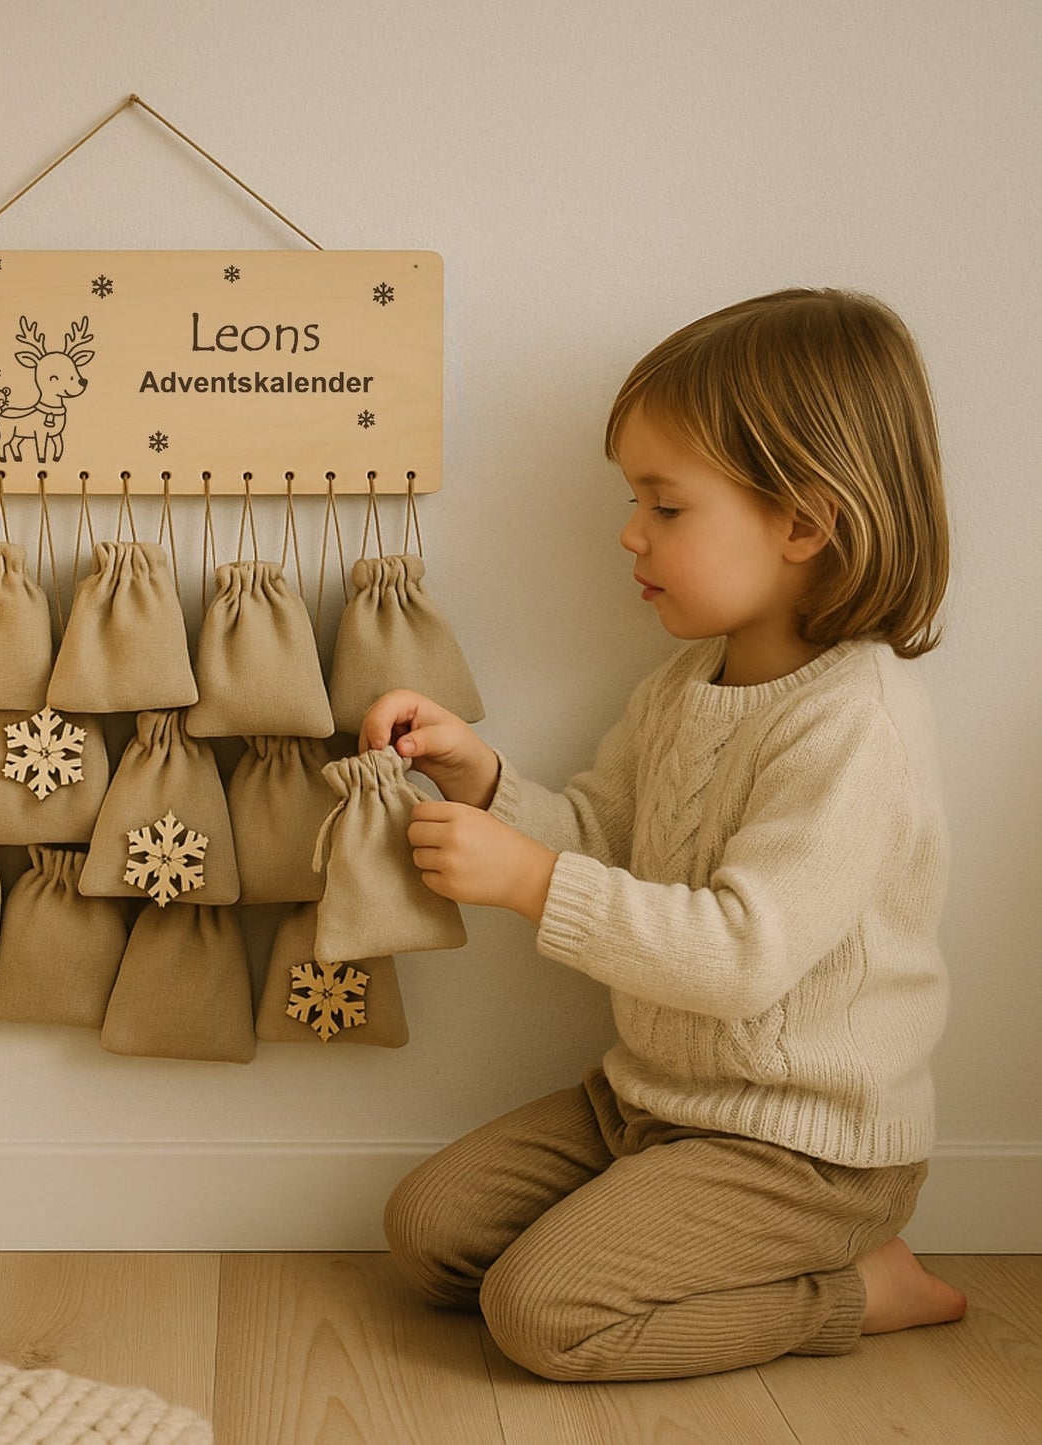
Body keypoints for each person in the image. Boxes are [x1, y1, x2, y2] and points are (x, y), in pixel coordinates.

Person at [362, 288, 968, 1382]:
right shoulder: (686, 682)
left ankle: (853, 1286)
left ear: (799, 519)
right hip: (645, 1099)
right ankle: (668, 1231)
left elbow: (739, 955)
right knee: (430, 1229)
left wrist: (531, 882)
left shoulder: (853, 729)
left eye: (665, 505)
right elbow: (601, 833)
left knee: (541, 1316)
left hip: (802, 1149)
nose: (628, 533)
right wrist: (479, 775)